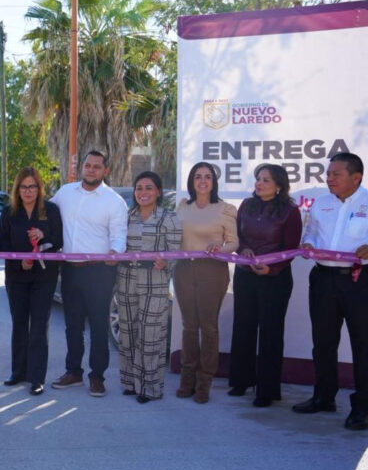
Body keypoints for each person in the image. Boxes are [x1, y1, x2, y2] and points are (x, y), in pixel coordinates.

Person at [294, 152, 368, 431]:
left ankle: (363, 408)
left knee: (363, 344)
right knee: (323, 341)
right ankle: (324, 397)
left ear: (356, 177)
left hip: (359, 280)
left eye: (336, 174)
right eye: (328, 174)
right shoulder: (321, 203)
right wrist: (309, 244)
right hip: (323, 278)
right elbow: (311, 233)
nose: (329, 178)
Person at [49, 151, 128, 398]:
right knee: (72, 326)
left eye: (97, 166)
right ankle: (73, 372)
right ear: (82, 167)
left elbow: (118, 236)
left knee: (98, 327)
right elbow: (47, 214)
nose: (91, 170)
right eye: (88, 165)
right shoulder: (65, 193)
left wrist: (115, 252)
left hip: (99, 271)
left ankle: (97, 377)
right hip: (70, 270)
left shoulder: (114, 201)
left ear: (105, 171)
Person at [228, 164, 302, 407]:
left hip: (275, 278)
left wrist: (272, 269)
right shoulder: (247, 205)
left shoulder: (290, 211)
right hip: (245, 275)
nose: (259, 183)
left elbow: (291, 248)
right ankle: (241, 381)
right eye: (258, 179)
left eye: (266, 180)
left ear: (279, 185)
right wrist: (243, 249)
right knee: (243, 327)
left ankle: (267, 391)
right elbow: (238, 238)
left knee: (270, 333)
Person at [173, 162, 238, 404]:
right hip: (183, 270)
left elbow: (234, 242)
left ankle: (204, 382)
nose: (202, 181)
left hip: (212, 270)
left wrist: (220, 249)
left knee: (208, 327)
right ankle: (186, 379)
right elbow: (173, 237)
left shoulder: (225, 209)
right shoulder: (183, 206)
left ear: (214, 181)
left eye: (207, 176)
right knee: (189, 326)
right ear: (192, 181)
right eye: (198, 176)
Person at [116, 171, 181, 403]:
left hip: (155, 280)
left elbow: (176, 252)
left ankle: (150, 388)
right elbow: (117, 244)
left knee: (150, 334)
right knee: (128, 332)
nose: (143, 192)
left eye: (149, 188)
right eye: (139, 188)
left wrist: (167, 262)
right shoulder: (126, 217)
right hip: (126, 279)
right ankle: (130, 383)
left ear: (158, 192)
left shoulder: (169, 218)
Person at [0, 167, 62, 395]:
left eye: (32, 186)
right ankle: (18, 372)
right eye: (23, 187)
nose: (28, 191)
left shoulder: (51, 210)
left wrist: (44, 236)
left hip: (44, 277)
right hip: (16, 276)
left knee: (39, 326)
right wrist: (19, 262)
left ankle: (36, 378)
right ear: (17, 189)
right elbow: (2, 244)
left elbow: (59, 240)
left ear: (39, 188)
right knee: (19, 323)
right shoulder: (9, 212)